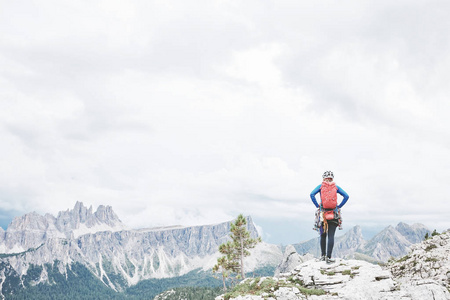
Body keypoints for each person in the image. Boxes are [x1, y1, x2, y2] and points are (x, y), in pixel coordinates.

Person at [310, 171, 349, 263]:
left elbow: (311, 194)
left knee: (323, 235)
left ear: (323, 178)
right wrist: (339, 206)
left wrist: (317, 205)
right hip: (334, 214)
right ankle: (329, 257)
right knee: (331, 236)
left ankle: (322, 256)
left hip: (322, 214)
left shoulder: (320, 186)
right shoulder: (336, 187)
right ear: (332, 178)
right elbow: (346, 196)